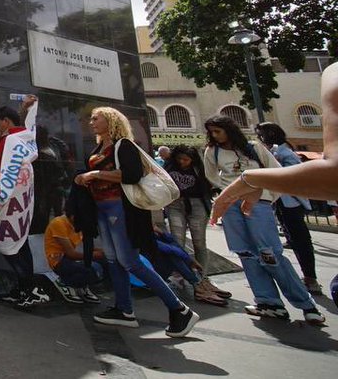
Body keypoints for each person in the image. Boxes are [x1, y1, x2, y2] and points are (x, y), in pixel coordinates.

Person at [75, 107, 200, 337]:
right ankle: (124, 309)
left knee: (130, 261)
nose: (91, 122)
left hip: (120, 208)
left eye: (96, 118)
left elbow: (131, 175)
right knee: (113, 260)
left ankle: (179, 309)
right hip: (102, 208)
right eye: (90, 118)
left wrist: (94, 175)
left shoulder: (124, 145)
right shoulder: (99, 147)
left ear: (111, 120)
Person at [200, 115, 323, 325]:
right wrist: (227, 193)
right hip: (231, 205)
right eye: (211, 132)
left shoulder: (254, 147)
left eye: (217, 131)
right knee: (246, 253)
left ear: (229, 129)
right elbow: (212, 177)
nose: (214, 136)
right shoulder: (213, 152)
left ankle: (305, 303)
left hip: (259, 204)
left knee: (270, 253)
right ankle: (268, 302)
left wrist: (265, 196)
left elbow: (275, 172)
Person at [212, 62, 338, 213]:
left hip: (284, 198)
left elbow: (332, 175)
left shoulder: (333, 74)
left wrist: (251, 179)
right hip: (280, 197)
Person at [0, 98, 48, 308]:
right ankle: (24, 287)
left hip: (9, 203)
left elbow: (2, 172)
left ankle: (29, 288)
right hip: (16, 203)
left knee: (13, 246)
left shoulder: (11, 142)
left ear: (5, 121)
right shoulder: (20, 140)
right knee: (19, 246)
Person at [255, 121, 320, 294]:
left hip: (291, 202)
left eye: (260, 134)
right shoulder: (276, 151)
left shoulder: (284, 152)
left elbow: (296, 176)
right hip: (282, 202)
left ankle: (310, 277)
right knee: (293, 237)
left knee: (300, 239)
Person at [161, 144, 229, 303]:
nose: (183, 163)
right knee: (178, 243)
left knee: (199, 242)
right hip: (175, 204)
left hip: (197, 203)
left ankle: (202, 278)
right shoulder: (169, 166)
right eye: (180, 159)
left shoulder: (199, 168)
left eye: (186, 160)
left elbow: (210, 184)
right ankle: (185, 276)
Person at [44, 201, 103, 304]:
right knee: (94, 269)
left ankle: (82, 285)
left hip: (72, 258)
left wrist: (103, 252)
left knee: (107, 263)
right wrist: (95, 255)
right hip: (60, 260)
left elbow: (87, 245)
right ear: (72, 215)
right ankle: (66, 283)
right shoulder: (58, 223)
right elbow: (71, 253)